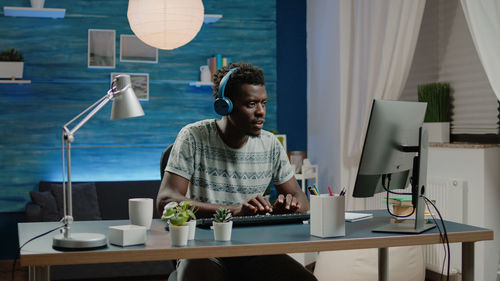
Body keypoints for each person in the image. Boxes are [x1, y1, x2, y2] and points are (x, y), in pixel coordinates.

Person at [156, 62, 316, 281]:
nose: (261, 112)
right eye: (251, 104)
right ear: (225, 106)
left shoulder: (270, 144)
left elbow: (302, 200)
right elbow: (166, 201)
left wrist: (286, 208)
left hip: (254, 250)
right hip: (203, 251)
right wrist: (234, 211)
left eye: (263, 103)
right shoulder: (193, 137)